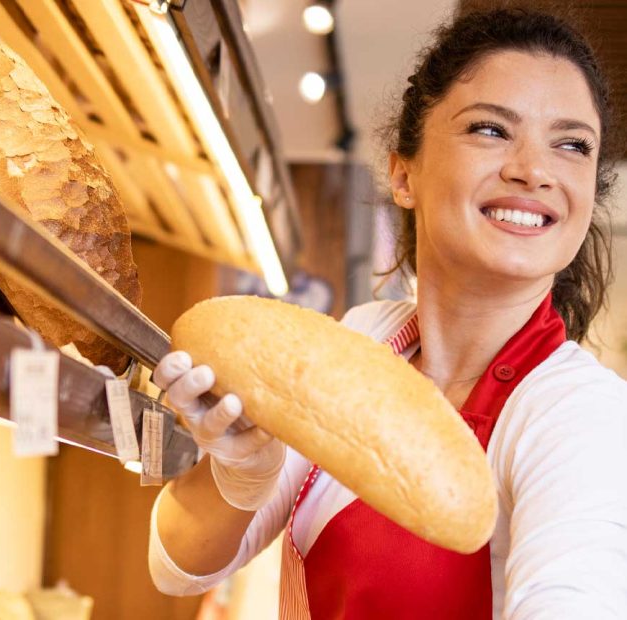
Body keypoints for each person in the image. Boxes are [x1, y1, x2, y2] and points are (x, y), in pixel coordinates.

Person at [147, 7, 627, 619]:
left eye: (572, 145)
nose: (533, 170)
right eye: (491, 130)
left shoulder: (580, 416)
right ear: (403, 174)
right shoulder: (363, 343)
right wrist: (241, 474)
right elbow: (177, 567)